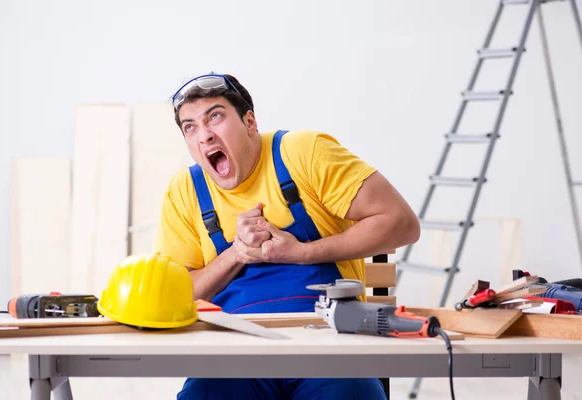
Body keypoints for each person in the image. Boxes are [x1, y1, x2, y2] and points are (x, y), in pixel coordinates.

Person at [155, 73, 420, 400]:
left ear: (249, 121)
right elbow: (176, 294)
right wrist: (237, 253)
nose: (205, 136)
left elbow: (402, 223)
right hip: (235, 353)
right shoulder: (185, 191)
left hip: (329, 345)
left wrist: (301, 253)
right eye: (190, 127)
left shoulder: (302, 153)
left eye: (216, 117)